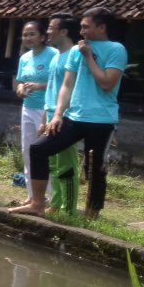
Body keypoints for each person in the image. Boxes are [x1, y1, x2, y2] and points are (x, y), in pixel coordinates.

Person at [11, 7, 127, 219]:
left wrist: (89, 57)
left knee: (94, 169)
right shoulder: (76, 51)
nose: (81, 31)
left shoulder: (115, 49)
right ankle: (37, 203)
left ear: (102, 27)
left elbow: (107, 84)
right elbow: (66, 85)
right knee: (38, 149)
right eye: (81, 26)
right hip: (73, 117)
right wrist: (57, 115)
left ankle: (92, 215)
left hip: (101, 119)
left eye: (86, 26)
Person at [14, 21, 58, 200]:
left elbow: (61, 84)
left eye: (32, 34)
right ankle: (33, 195)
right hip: (28, 108)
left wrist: (40, 86)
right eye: (25, 34)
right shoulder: (24, 58)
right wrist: (20, 89)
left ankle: (53, 195)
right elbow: (19, 82)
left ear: (42, 36)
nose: (28, 38)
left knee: (46, 152)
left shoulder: (54, 55)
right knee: (28, 150)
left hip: (47, 109)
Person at [42, 12, 81, 215]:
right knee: (53, 161)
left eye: (51, 28)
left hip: (64, 115)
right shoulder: (56, 55)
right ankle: (56, 204)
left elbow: (71, 87)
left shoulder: (74, 54)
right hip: (50, 113)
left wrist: (61, 113)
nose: (47, 32)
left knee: (66, 163)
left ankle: (69, 210)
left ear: (64, 31)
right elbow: (51, 87)